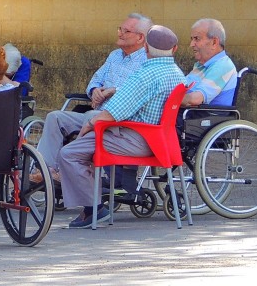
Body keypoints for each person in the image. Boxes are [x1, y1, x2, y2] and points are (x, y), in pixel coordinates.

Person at [57, 25, 185, 228]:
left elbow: (112, 113)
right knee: (85, 146)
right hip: (161, 142)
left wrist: (88, 126)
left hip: (135, 139)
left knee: (68, 153)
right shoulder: (178, 74)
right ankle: (96, 201)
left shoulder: (144, 75)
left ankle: (93, 209)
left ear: (146, 48)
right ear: (174, 49)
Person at [35, 12, 151, 181]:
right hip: (97, 113)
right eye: (119, 29)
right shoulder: (114, 55)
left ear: (140, 37)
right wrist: (95, 90)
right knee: (55, 117)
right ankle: (45, 172)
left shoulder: (147, 60)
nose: (119, 33)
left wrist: (114, 90)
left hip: (119, 120)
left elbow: (140, 91)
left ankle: (66, 171)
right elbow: (95, 80)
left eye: (125, 31)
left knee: (92, 116)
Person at [182, 18, 237, 107]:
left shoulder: (223, 66)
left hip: (204, 114)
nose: (191, 44)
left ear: (214, 42)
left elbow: (196, 99)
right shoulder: (200, 65)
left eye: (197, 39)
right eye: (192, 39)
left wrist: (169, 98)